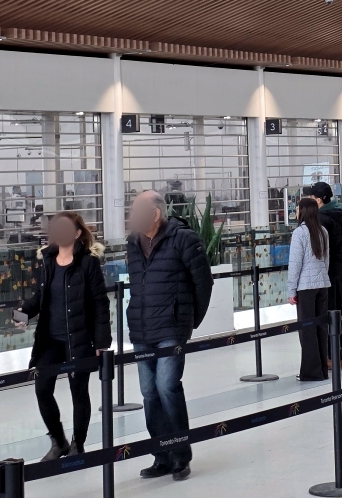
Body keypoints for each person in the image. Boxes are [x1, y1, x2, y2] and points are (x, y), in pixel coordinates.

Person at [126, 191, 213, 481]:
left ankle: (180, 455)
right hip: (141, 329)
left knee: (167, 387)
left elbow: (203, 282)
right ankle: (160, 455)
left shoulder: (184, 239)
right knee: (149, 393)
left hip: (171, 329)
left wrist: (188, 321)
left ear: (155, 214)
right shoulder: (132, 243)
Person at [16, 211, 110, 461]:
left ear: (78, 233)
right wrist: (22, 314)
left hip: (78, 338)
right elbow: (40, 297)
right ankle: (59, 441)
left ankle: (79, 443)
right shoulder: (47, 262)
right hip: (49, 339)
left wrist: (101, 342)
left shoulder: (88, 264)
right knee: (42, 389)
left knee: (79, 392)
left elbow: (100, 303)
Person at [287, 196, 332, 381]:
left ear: (303, 211)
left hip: (305, 287)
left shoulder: (299, 232)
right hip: (322, 285)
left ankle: (311, 372)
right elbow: (326, 260)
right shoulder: (323, 231)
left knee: (307, 329)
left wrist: (291, 290)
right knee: (321, 327)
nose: (296, 211)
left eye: (298, 208)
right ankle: (321, 368)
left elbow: (295, 263)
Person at [311, 181, 342, 367]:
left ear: (319, 200)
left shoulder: (324, 218)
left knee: (328, 312)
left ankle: (331, 358)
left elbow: (322, 248)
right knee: (339, 310)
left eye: (312, 197)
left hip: (329, 272)